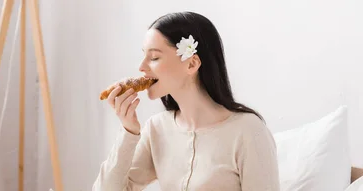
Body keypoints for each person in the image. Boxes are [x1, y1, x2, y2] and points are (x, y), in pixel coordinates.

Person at [92, 11, 280, 191]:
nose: (141, 67)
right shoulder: (156, 130)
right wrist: (129, 131)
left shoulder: (248, 131)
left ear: (191, 64)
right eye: (144, 55)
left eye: (154, 57)